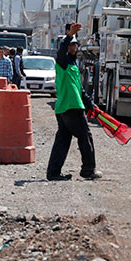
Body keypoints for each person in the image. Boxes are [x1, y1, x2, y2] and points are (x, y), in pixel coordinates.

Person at [47, 23, 101, 181]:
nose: (73, 46)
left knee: (62, 141)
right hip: (71, 107)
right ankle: (88, 170)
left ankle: (53, 172)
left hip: (65, 107)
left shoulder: (73, 65)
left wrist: (91, 104)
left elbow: (80, 89)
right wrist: (69, 35)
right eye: (71, 44)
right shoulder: (62, 61)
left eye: (75, 44)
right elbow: (61, 49)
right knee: (85, 137)